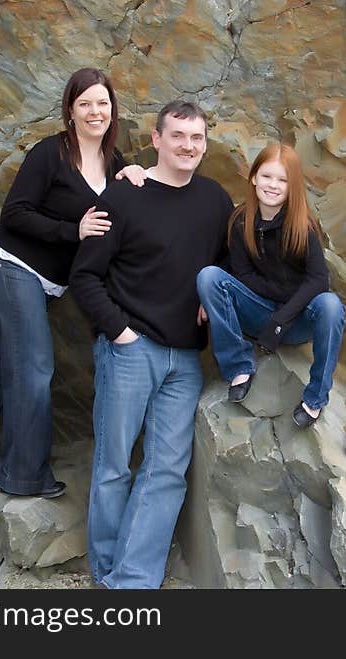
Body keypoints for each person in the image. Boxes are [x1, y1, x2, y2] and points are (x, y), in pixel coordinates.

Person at [0, 68, 145, 502]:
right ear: (70, 112)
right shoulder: (49, 153)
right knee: (34, 368)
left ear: (113, 109)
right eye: (85, 104)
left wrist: (132, 175)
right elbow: (14, 214)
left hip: (42, 284)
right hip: (5, 265)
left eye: (103, 103)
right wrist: (71, 231)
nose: (96, 111)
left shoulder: (114, 163)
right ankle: (23, 476)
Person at [69, 100, 233, 589]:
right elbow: (85, 275)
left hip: (185, 358)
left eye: (197, 138)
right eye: (178, 136)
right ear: (157, 140)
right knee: (115, 466)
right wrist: (120, 332)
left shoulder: (216, 201)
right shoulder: (123, 198)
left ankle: (132, 583)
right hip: (128, 350)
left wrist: (215, 295)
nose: (188, 146)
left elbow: (229, 264)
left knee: (166, 471)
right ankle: (105, 574)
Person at [196, 144, 345, 428]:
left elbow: (318, 280)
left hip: (296, 321)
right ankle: (239, 367)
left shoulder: (303, 225)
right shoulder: (241, 221)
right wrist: (209, 297)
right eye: (267, 176)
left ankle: (315, 398)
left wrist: (280, 319)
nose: (273, 186)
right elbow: (241, 274)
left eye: (282, 180)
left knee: (330, 305)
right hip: (258, 314)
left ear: (293, 186)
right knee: (208, 277)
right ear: (253, 177)